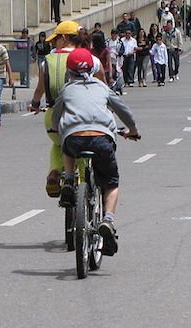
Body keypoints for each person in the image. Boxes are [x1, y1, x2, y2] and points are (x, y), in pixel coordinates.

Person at [53, 47, 140, 256]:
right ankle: (108, 220)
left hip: (74, 139)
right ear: (93, 68)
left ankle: (69, 178)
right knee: (111, 182)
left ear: (69, 70)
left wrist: (60, 130)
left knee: (66, 143)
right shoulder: (102, 88)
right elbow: (123, 110)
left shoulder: (67, 89)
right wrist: (133, 130)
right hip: (102, 139)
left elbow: (56, 117)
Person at [29, 21, 107, 197]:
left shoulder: (47, 61)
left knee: (58, 145)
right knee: (82, 146)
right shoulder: (90, 59)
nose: (54, 43)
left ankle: (55, 171)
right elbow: (103, 85)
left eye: (55, 39)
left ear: (63, 38)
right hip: (85, 115)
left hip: (53, 117)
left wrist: (34, 104)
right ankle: (81, 184)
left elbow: (40, 89)